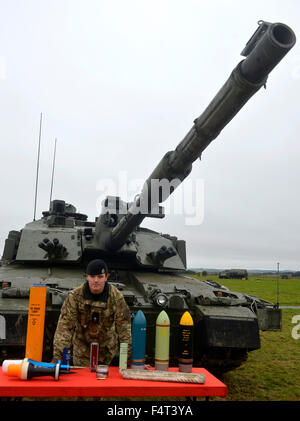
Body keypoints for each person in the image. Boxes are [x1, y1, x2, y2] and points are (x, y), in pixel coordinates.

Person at [52, 259, 132, 367]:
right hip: (82, 353)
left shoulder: (116, 297)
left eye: (100, 277)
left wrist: (129, 359)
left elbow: (124, 330)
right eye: (92, 276)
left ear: (106, 277)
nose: (96, 280)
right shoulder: (75, 296)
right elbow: (65, 328)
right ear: (87, 276)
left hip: (108, 353)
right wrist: (58, 358)